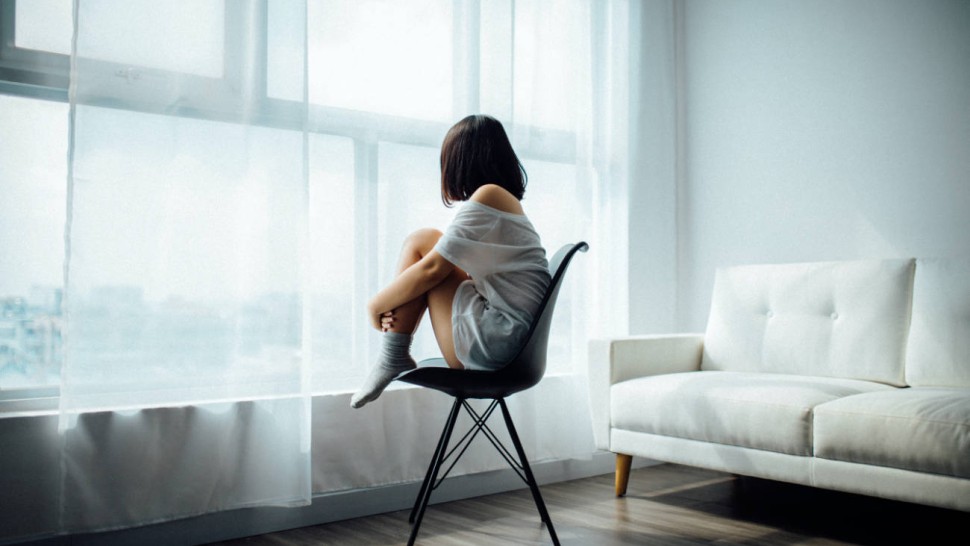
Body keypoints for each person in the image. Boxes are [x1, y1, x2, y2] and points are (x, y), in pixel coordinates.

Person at [351, 115, 550, 409]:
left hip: (498, 347)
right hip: (510, 345)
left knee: (422, 243)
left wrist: (375, 305)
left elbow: (433, 270)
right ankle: (393, 354)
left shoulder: (490, 195)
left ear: (461, 161)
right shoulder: (503, 202)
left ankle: (392, 355)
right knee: (428, 242)